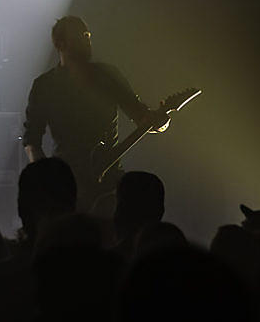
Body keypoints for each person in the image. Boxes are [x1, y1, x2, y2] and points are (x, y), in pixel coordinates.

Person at [22, 16, 164, 212]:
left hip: (109, 181)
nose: (87, 39)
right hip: (68, 183)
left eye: (87, 35)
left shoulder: (108, 76)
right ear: (60, 44)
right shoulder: (44, 86)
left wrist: (161, 122)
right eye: (80, 36)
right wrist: (49, 183)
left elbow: (142, 116)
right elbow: (32, 141)